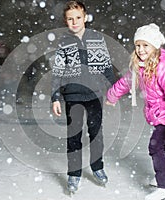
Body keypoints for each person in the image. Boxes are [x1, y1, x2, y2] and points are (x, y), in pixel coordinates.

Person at [106, 23, 165, 200]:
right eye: (138, 45)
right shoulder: (140, 66)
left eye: (145, 45)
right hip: (157, 114)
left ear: (155, 46)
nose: (141, 50)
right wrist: (111, 96)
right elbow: (125, 83)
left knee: (155, 145)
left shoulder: (162, 67)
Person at [51, 0, 115, 194]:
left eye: (78, 17)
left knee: (96, 133)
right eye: (70, 19)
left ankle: (97, 167)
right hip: (73, 95)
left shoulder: (97, 38)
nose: (74, 22)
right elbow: (58, 71)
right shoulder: (64, 43)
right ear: (66, 21)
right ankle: (74, 173)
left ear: (85, 17)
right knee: (74, 135)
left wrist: (112, 90)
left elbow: (106, 66)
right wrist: (55, 97)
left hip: (94, 94)